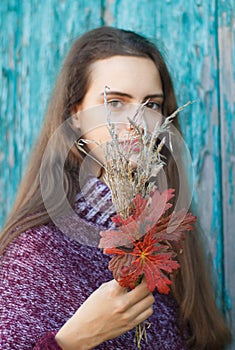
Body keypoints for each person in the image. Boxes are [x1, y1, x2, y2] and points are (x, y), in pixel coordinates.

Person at [0, 26, 232, 350]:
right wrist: (72, 341)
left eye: (152, 105)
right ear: (76, 114)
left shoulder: (171, 234)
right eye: (116, 102)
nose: (138, 122)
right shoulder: (37, 252)